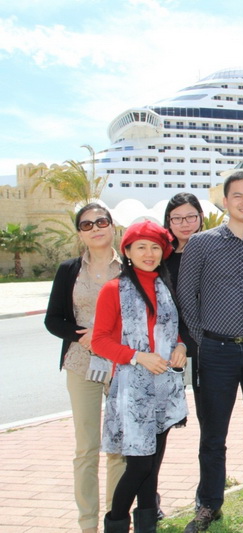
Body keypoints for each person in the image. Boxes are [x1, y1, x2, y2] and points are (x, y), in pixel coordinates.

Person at [178, 171, 243, 533]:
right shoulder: (201, 243)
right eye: (237, 195)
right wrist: (203, 340)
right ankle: (209, 505)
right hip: (215, 351)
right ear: (225, 201)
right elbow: (186, 295)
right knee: (212, 435)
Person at [92, 220, 189, 533]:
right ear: (128, 252)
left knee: (152, 465)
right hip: (133, 389)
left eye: (155, 247)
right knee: (140, 465)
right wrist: (137, 356)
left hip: (164, 387)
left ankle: (147, 525)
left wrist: (180, 346)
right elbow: (99, 340)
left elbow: (174, 331)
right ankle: (116, 523)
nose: (149, 253)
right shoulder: (114, 289)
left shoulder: (165, 286)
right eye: (141, 247)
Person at [44, 203, 126, 533]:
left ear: (112, 226)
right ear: (80, 233)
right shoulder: (69, 270)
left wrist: (109, 337)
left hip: (122, 365)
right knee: (87, 447)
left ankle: (116, 520)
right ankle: (87, 524)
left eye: (101, 222)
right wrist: (84, 336)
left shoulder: (130, 266)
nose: (95, 228)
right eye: (87, 224)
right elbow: (53, 319)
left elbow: (141, 314)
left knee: (119, 447)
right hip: (82, 363)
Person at [162, 192, 204, 514]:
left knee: (210, 426)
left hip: (206, 348)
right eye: (177, 218)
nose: (185, 224)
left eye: (191, 216)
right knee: (159, 426)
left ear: (200, 218)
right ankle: (150, 500)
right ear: (169, 222)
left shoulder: (214, 251)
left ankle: (207, 496)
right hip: (167, 351)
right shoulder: (159, 256)